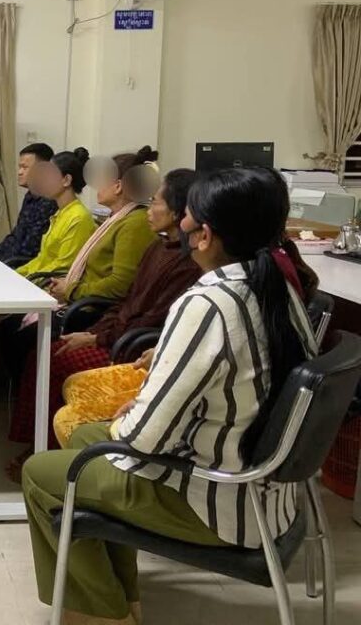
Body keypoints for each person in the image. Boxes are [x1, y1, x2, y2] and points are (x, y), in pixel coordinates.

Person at [21, 166, 318, 625]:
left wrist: (133, 416)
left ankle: (103, 617)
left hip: (217, 503)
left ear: (204, 235)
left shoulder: (208, 305)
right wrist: (137, 415)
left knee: (41, 473)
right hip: (268, 494)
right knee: (83, 437)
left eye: (187, 217)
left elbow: (144, 438)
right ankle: (124, 600)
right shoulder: (279, 287)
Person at [3, 169, 200, 477]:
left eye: (156, 203)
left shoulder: (186, 263)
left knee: (54, 359)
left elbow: (151, 317)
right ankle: (37, 442)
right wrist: (94, 331)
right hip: (115, 330)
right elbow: (128, 300)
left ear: (177, 213)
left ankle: (48, 450)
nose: (149, 210)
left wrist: (97, 338)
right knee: (41, 352)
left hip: (133, 347)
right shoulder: (157, 247)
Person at [42, 147, 160, 305]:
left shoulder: (135, 224)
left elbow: (120, 285)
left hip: (93, 309)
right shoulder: (116, 219)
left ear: (118, 186)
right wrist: (66, 284)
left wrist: (71, 290)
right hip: (82, 299)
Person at [15, 149, 96, 280]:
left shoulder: (79, 218)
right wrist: (17, 274)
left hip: (48, 285)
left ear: (66, 180)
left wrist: (26, 279)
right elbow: (42, 259)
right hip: (36, 279)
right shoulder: (60, 213)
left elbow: (62, 267)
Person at [0, 142, 57, 264]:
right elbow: (16, 236)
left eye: (25, 168)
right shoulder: (30, 195)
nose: (19, 172)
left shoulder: (49, 202)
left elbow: (31, 249)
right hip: (11, 256)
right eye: (19, 167)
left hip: (24, 264)